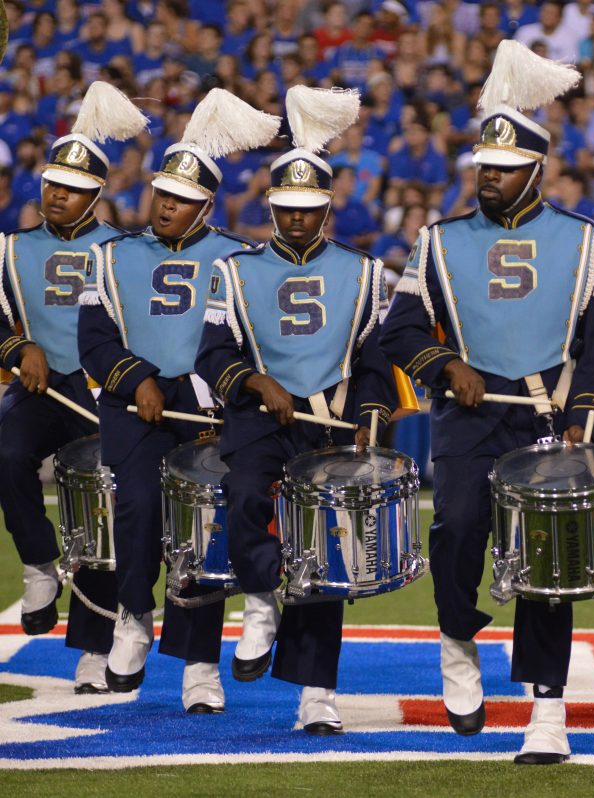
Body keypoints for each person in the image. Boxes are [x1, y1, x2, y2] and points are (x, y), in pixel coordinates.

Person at [380, 41, 594, 764]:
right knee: (459, 533)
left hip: (548, 418)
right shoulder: (437, 241)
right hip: (467, 415)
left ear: (536, 168)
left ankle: (547, 711)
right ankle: (458, 640)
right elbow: (399, 327)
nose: (488, 177)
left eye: (502, 168)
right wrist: (444, 364)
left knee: (546, 566)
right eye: (482, 167)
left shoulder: (587, 240)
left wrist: (585, 426)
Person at [196, 85, 400, 733]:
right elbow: (211, 352)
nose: (296, 219)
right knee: (247, 492)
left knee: (324, 558)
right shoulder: (232, 270)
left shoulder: (367, 274)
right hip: (260, 417)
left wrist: (371, 416)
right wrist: (255, 383)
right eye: (286, 208)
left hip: (330, 426)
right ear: (271, 205)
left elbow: (374, 363)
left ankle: (317, 694)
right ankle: (258, 601)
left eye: (309, 209)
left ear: (328, 208)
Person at [78, 89, 278, 707]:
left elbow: (250, 341)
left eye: (182, 200)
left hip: (209, 407)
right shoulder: (109, 256)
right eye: (163, 194)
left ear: (206, 207)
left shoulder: (242, 260)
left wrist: (219, 392)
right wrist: (135, 377)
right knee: (136, 509)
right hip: (133, 403)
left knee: (204, 533)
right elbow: (94, 339)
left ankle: (199, 666)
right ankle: (134, 617)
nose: (167, 206)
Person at [0, 82, 143, 694]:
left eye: (73, 189)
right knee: (5, 454)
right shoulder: (8, 249)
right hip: (37, 387)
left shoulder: (125, 252)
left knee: (100, 513)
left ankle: (95, 644)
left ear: (96, 195)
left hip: (100, 392)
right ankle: (38, 564)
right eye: (53, 185)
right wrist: (16, 348)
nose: (58, 195)